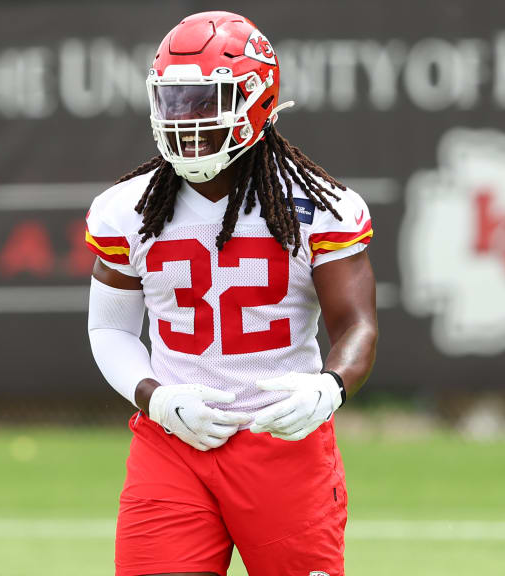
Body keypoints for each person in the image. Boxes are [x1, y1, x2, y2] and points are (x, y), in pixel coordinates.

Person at [85, 11, 377, 576]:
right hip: (173, 441)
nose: (185, 119)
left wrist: (328, 387)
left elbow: (356, 325)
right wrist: (156, 399)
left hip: (283, 439)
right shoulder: (129, 208)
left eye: (204, 100)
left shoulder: (320, 207)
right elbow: (110, 328)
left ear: (257, 102)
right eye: (173, 101)